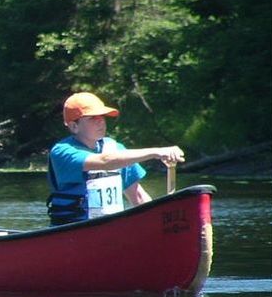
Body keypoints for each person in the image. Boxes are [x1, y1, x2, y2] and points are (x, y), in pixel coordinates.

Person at [47, 92, 185, 226]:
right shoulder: (62, 152)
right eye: (92, 118)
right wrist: (156, 152)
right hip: (75, 231)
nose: (101, 121)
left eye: (101, 116)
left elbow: (138, 197)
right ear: (74, 126)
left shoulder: (115, 149)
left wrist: (162, 225)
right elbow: (105, 161)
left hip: (111, 230)